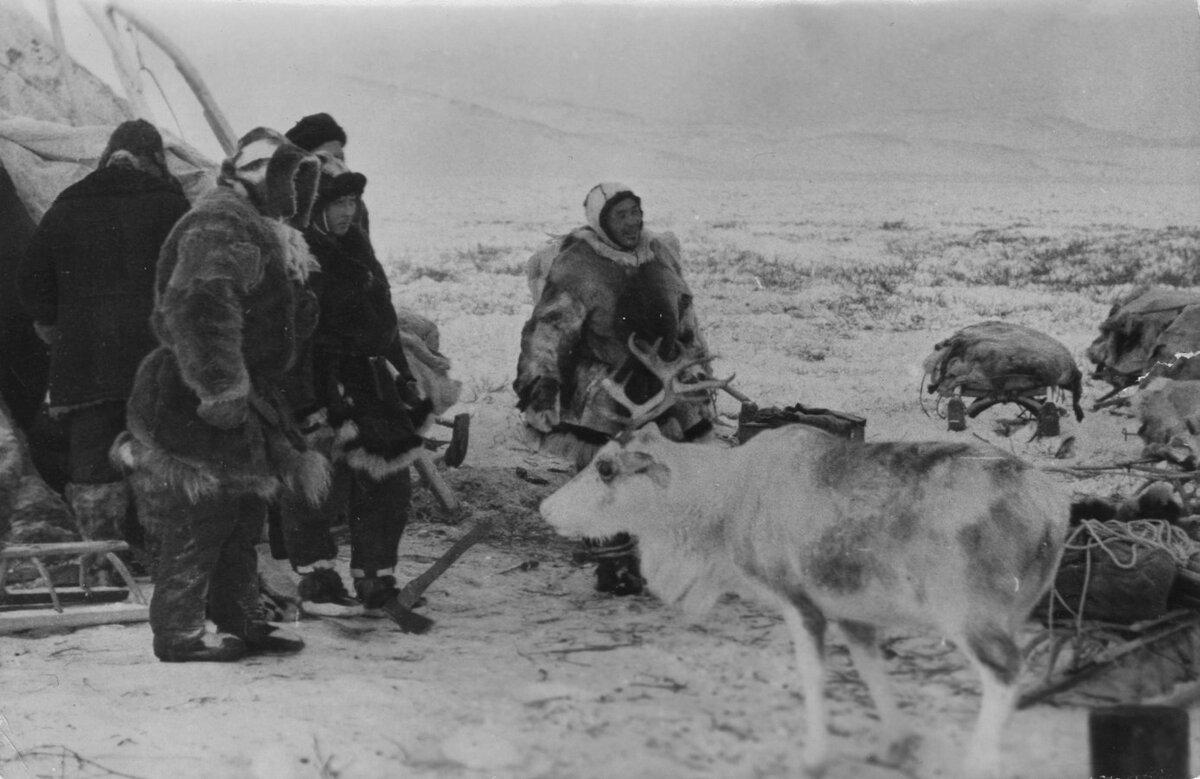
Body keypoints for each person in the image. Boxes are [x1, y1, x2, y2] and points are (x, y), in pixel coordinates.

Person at [115, 127, 329, 662]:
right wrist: (221, 387)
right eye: (294, 182)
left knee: (239, 517)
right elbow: (200, 306)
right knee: (202, 518)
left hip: (239, 394)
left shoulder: (249, 224)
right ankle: (180, 634)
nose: (301, 198)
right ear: (269, 178)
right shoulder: (219, 223)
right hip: (200, 394)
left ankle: (241, 619)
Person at [514, 182, 718, 595]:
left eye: (636, 212)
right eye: (621, 215)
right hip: (606, 389)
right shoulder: (579, 266)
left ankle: (656, 561)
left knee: (662, 475)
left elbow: (686, 318)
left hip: (664, 384)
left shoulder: (659, 256)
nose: (633, 222)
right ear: (602, 220)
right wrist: (542, 384)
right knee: (605, 475)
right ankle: (614, 566)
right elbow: (549, 330)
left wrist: (697, 367)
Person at [17, 120, 190, 550]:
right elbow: (189, 279)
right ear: (153, 159)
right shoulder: (170, 204)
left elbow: (30, 276)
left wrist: (50, 323)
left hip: (83, 362)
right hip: (153, 358)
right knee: (156, 453)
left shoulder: (67, 203)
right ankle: (163, 556)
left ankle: (100, 560)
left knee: (93, 463)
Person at [277, 152, 432, 617]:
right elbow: (292, 337)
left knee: (387, 481)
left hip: (368, 383)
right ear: (315, 206)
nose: (348, 211)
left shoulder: (358, 247)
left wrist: (403, 375)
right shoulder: (299, 257)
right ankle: (317, 577)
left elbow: (383, 319)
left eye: (352, 201)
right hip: (319, 383)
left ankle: (375, 577)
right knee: (316, 485)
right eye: (338, 202)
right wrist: (304, 403)